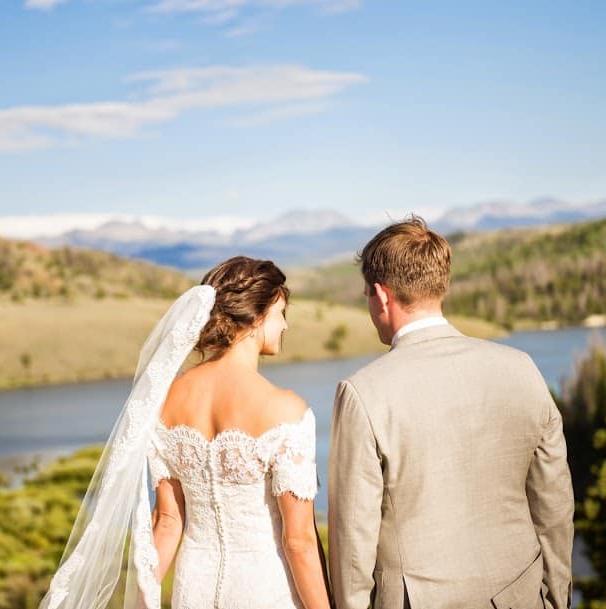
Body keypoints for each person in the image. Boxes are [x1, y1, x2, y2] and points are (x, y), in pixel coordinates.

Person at [38, 256, 332, 609]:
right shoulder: (285, 409)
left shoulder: (164, 401)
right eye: (281, 312)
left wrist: (140, 603)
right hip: (265, 589)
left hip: (194, 588)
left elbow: (166, 522)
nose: (284, 326)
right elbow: (298, 541)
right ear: (257, 317)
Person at [328, 217, 574, 609]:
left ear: (381, 295)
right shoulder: (521, 367)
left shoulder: (363, 392)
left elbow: (352, 540)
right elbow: (554, 505)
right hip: (520, 595)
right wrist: (557, 598)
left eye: (367, 296)